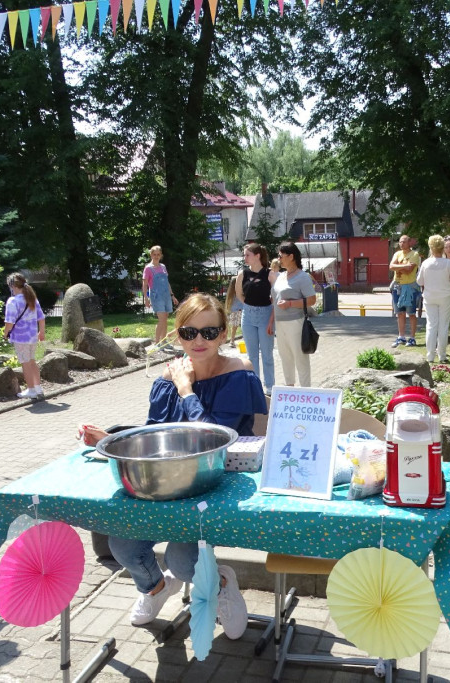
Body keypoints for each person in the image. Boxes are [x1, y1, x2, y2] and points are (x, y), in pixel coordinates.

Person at [78, 294, 266, 636]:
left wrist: (186, 390)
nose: (198, 341)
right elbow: (155, 434)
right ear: (177, 335)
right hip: (167, 485)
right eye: (189, 332)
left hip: (213, 486)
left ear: (224, 334)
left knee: (181, 562)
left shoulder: (239, 373)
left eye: (209, 333)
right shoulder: (167, 379)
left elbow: (215, 438)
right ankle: (154, 588)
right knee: (123, 545)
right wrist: (112, 437)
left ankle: (222, 582)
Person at [272, 242, 317, 387]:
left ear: (291, 256)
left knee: (300, 358)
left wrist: (290, 303)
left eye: (280, 256)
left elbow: (312, 300)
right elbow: (275, 298)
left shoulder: (302, 277)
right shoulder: (281, 276)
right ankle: (289, 388)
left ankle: (305, 391)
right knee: (285, 357)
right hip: (280, 323)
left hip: (295, 323)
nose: (279, 259)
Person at [236, 244, 277, 394]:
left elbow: (275, 297)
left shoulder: (269, 274)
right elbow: (239, 293)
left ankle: (270, 386)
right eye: (244, 255)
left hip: (265, 314)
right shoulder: (243, 274)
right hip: (248, 316)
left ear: (257, 256)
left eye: (247, 255)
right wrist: (248, 305)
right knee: (251, 355)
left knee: (267, 354)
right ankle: (255, 386)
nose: (245, 258)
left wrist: (271, 319)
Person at [416, 234, 450, 363]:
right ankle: (442, 355)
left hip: (430, 297)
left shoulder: (425, 263)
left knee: (431, 325)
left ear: (431, 248)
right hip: (446, 297)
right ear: (442, 248)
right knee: (443, 325)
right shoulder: (448, 263)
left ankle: (430, 355)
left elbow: (419, 282)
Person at [3, 272, 46, 399]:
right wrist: (41, 332)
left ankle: (31, 389)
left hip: (20, 338)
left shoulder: (12, 301)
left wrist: (5, 334)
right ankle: (38, 389)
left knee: (25, 363)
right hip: (32, 336)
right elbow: (41, 318)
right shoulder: (32, 298)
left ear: (12, 286)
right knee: (32, 361)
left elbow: (9, 322)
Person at [142, 245, 179, 348]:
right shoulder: (148, 269)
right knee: (161, 319)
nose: (156, 256)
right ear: (151, 255)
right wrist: (146, 298)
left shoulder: (163, 267)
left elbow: (167, 283)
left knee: (165, 319)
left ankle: (164, 341)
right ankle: (157, 343)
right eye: (154, 254)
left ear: (161, 255)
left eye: (158, 254)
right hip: (156, 297)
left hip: (166, 295)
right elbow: (144, 285)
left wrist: (172, 296)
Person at [389, 233, 422, 348]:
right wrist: (403, 266)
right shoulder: (397, 254)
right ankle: (401, 337)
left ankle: (412, 338)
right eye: (400, 242)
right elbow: (391, 266)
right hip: (397, 287)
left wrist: (398, 267)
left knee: (411, 313)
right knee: (400, 313)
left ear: (409, 243)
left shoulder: (415, 254)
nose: (401, 244)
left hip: (410, 287)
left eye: (404, 241)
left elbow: (409, 270)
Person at [224, 276, 244, 347]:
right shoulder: (238, 290)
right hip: (240, 309)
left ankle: (232, 341)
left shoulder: (231, 291)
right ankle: (233, 341)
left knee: (234, 326)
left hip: (235, 310)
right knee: (238, 326)